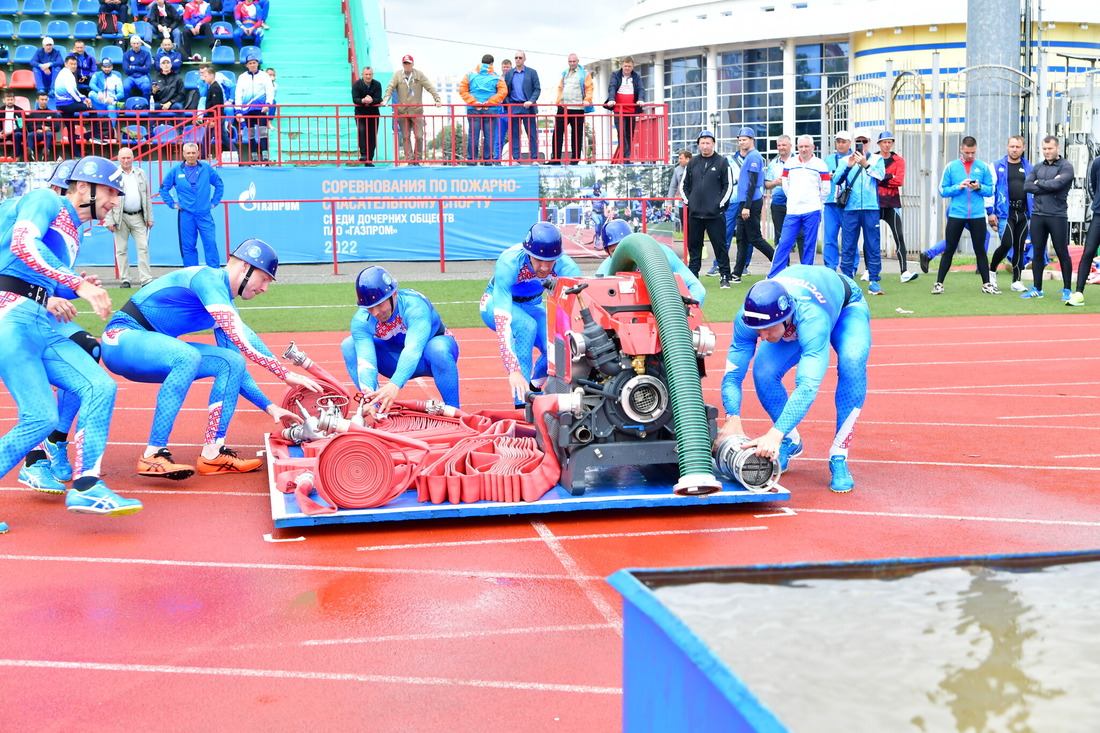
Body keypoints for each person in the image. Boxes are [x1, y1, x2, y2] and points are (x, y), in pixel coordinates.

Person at [0, 155, 143, 526]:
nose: (115, 201)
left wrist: (74, 285)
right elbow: (21, 245)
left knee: (99, 387)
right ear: (84, 187)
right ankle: (46, 465)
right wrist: (75, 282)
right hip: (10, 318)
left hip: (36, 322)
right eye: (112, 191)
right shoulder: (46, 200)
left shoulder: (73, 231)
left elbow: (43, 280)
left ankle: (87, 485)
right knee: (40, 417)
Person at [101, 239, 318, 481]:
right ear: (246, 268)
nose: (265, 288)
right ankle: (153, 454)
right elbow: (242, 335)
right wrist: (284, 373)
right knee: (188, 356)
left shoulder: (222, 301)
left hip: (152, 351)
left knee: (230, 363)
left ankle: (212, 454)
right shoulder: (208, 279)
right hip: (120, 339)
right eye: (265, 278)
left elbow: (237, 365)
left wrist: (270, 407)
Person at [716, 266, 871, 494]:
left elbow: (807, 386)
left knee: (852, 360)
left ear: (786, 317)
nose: (762, 337)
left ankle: (839, 454)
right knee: (763, 372)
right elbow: (733, 375)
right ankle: (792, 440)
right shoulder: (750, 317)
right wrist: (732, 416)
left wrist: (774, 433)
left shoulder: (812, 319)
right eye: (756, 331)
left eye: (766, 330)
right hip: (795, 318)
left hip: (845, 306)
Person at [480, 222, 581, 406]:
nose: (544, 267)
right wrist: (513, 370)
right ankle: (521, 403)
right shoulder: (509, 262)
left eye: (550, 261)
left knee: (560, 345)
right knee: (527, 326)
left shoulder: (568, 268)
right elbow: (503, 322)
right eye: (538, 260)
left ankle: (533, 388)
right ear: (528, 254)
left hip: (533, 305)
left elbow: (574, 315)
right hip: (497, 302)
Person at [341, 267, 461, 415]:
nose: (376, 313)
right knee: (349, 345)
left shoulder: (415, 306)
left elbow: (413, 349)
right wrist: (369, 396)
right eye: (369, 308)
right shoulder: (361, 321)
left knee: (437, 349)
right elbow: (366, 361)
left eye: (380, 304)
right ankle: (376, 408)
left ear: (394, 294)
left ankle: (455, 412)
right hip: (396, 359)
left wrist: (394, 384)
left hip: (429, 357)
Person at [931, 136, 996, 295]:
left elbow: (990, 190)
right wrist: (958, 187)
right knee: (949, 249)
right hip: (956, 214)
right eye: (967, 152)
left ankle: (987, 284)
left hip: (977, 215)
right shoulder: (951, 167)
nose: (970, 155)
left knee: (980, 250)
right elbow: (942, 190)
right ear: (961, 149)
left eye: (973, 152)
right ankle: (939, 283)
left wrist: (978, 187)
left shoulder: (983, 167)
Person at [595, 219, 705, 304]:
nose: (622, 253)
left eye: (624, 245)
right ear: (607, 251)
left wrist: (685, 312)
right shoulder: (606, 267)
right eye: (615, 250)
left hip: (663, 311)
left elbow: (697, 288)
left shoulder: (660, 253)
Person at [1020, 135, 1075, 301]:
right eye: (1044, 149)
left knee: (1061, 252)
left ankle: (1067, 290)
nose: (1047, 152)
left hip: (1057, 216)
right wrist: (1048, 183)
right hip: (1038, 215)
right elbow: (1027, 186)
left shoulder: (1066, 167)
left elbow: (1058, 185)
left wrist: (1040, 183)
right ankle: (1037, 288)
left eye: (1050, 148)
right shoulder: (1037, 166)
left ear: (1058, 148)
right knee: (1037, 252)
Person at [769, 134, 830, 276]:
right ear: (797, 147)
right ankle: (774, 275)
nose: (803, 149)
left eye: (806, 146)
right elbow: (785, 185)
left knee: (809, 245)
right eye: (801, 146)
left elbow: (825, 189)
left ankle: (806, 276)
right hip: (793, 211)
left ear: (813, 147)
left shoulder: (820, 164)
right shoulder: (790, 164)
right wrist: (794, 198)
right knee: (784, 243)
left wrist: (814, 201)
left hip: (812, 210)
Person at [680, 129, 734, 286]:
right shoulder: (692, 163)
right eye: (702, 143)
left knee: (720, 246)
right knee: (694, 247)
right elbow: (684, 186)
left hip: (715, 214)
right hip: (695, 214)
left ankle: (725, 276)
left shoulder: (722, 162)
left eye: (708, 143)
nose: (705, 146)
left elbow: (728, 186)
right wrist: (690, 202)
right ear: (698, 145)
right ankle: (693, 276)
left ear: (713, 144)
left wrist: (719, 204)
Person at [160, 142, 224, 267]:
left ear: (198, 154)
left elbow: (219, 184)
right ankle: (191, 274)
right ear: (183, 154)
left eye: (193, 153)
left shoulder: (206, 168)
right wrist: (172, 204)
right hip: (186, 215)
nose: (191, 155)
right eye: (188, 153)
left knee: (210, 243)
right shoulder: (176, 170)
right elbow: (163, 189)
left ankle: (214, 272)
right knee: (188, 246)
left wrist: (214, 202)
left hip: (204, 214)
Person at [836, 132, 885, 294]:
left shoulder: (877, 159)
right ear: (853, 142)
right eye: (858, 141)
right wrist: (849, 166)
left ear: (869, 142)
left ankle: (874, 280)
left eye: (864, 141)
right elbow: (836, 179)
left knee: (873, 244)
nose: (861, 144)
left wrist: (866, 164)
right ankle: (848, 280)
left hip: (871, 208)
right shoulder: (845, 160)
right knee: (849, 243)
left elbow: (881, 176)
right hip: (851, 208)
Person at [986, 135, 1033, 294]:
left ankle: (1016, 281)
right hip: (1004, 212)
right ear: (1007, 147)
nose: (1014, 149)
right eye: (1012, 146)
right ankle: (991, 274)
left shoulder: (1029, 167)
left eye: (1018, 147)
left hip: (1023, 213)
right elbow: (990, 190)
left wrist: (1033, 213)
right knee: (1006, 244)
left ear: (1023, 148)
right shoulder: (997, 165)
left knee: (1020, 247)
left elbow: (1034, 190)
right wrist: (990, 212)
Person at [729, 127, 775, 284]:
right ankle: (736, 273)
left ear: (752, 140)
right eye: (740, 139)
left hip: (751, 202)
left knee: (754, 238)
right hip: (745, 202)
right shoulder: (750, 156)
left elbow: (753, 182)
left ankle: (779, 263)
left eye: (745, 139)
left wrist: (747, 206)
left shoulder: (754, 156)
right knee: (742, 239)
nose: (742, 142)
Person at [105, 147, 155, 288]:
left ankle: (146, 279)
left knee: (143, 247)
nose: (126, 160)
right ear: (118, 159)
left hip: (138, 216)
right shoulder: (113, 175)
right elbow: (108, 198)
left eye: (128, 157)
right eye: (123, 158)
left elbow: (147, 197)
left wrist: (149, 217)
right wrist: (109, 220)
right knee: (121, 250)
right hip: (120, 217)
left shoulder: (140, 173)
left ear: (133, 158)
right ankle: (125, 279)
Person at [382, 55, 442, 166]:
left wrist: (437, 99)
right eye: (405, 63)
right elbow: (390, 88)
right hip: (403, 111)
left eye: (409, 63)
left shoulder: (419, 75)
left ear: (413, 64)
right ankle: (409, 160)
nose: (407, 65)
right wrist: (385, 100)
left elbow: (430, 87)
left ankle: (417, 159)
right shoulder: (397, 75)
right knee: (405, 137)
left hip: (416, 110)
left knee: (419, 136)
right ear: (402, 64)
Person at [876, 131, 918, 283]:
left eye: (889, 142)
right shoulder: (873, 158)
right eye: (884, 142)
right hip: (875, 203)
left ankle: (904, 271)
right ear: (879, 143)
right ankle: (869, 270)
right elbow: (871, 176)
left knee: (899, 236)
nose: (887, 145)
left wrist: (882, 177)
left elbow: (899, 181)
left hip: (891, 203)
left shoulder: (898, 160)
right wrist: (889, 176)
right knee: (871, 237)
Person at [458, 54, 507, 165]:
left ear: (481, 62)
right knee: (489, 136)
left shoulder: (469, 74)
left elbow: (462, 90)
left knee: (473, 135)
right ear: (491, 64)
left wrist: (474, 102)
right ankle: (488, 161)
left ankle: (472, 160)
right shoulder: (497, 76)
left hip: (473, 109)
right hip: (490, 109)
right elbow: (503, 92)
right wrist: (489, 102)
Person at [1068, 153, 1100, 306]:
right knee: (1088, 252)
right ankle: (1079, 292)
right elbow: (1091, 186)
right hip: (1099, 215)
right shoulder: (1097, 162)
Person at [765, 135, 802, 263]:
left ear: (790, 146)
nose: (781, 148)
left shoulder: (798, 161)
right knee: (780, 237)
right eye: (779, 145)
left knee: (801, 235)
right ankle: (784, 266)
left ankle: (805, 267)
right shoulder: (773, 164)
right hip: (778, 203)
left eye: (784, 145)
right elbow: (766, 184)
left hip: (796, 202)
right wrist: (775, 182)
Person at [552, 53, 593, 166]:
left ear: (578, 61)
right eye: (570, 61)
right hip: (563, 107)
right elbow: (561, 88)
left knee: (576, 134)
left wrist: (587, 99)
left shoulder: (584, 73)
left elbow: (589, 87)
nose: (572, 63)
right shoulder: (565, 73)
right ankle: (555, 158)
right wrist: (558, 101)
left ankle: (575, 159)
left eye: (574, 61)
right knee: (557, 133)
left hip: (577, 107)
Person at [234, 56, 274, 163]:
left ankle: (265, 156)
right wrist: (238, 110)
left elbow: (270, 90)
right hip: (247, 109)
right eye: (250, 63)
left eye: (254, 63)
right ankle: (254, 157)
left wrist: (268, 104)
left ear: (257, 63)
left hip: (261, 109)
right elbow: (238, 94)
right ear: (246, 65)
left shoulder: (264, 76)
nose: (252, 65)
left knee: (263, 133)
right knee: (251, 134)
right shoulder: (242, 77)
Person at [822, 131, 852, 271]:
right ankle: (830, 267)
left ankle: (851, 266)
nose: (840, 144)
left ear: (849, 143)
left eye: (844, 141)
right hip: (830, 202)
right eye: (838, 141)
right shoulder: (828, 160)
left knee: (849, 237)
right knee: (829, 237)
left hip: (849, 204)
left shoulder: (855, 158)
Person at [53, 56, 94, 157]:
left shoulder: (67, 73)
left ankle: (76, 154)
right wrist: (82, 101)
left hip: (63, 104)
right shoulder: (66, 74)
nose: (73, 66)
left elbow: (75, 90)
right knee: (93, 109)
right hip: (66, 104)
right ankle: (96, 135)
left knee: (71, 130)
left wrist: (84, 98)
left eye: (75, 64)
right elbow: (71, 91)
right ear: (66, 64)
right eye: (71, 64)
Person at [606, 56, 644, 163]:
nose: (627, 68)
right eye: (625, 66)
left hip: (631, 110)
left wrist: (640, 99)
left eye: (629, 66)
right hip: (619, 109)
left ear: (632, 66)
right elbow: (612, 87)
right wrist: (612, 99)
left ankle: (627, 156)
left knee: (629, 134)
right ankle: (625, 158)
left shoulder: (636, 77)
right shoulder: (616, 75)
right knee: (621, 133)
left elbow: (641, 89)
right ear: (622, 65)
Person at [504, 50, 540, 162]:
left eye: (520, 57)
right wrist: (509, 103)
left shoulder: (532, 72)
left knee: (532, 133)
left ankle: (534, 158)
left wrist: (531, 101)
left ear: (524, 59)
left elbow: (537, 89)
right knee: (514, 134)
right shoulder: (509, 73)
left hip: (528, 107)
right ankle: (516, 158)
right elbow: (505, 91)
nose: (518, 60)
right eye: (516, 58)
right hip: (514, 106)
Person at [198, 64, 231, 158]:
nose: (204, 78)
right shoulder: (212, 87)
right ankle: (236, 154)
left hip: (215, 118)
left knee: (206, 138)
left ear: (212, 76)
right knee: (224, 138)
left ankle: (204, 157)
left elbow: (216, 105)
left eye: (206, 76)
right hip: (216, 117)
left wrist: (212, 119)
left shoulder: (215, 87)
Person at [352, 66, 382, 165]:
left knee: (372, 136)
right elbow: (355, 99)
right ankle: (364, 155)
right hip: (360, 113)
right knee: (362, 133)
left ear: (372, 75)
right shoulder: (356, 84)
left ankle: (370, 159)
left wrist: (372, 100)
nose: (368, 76)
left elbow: (379, 99)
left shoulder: (377, 84)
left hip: (373, 114)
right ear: (362, 75)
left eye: (370, 74)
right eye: (366, 74)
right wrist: (363, 100)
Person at [24, 93, 59, 161]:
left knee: (49, 134)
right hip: (37, 133)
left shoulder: (53, 113)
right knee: (31, 135)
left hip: (48, 133)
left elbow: (57, 127)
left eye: (45, 99)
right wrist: (39, 128)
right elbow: (29, 128)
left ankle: (46, 154)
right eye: (42, 99)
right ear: (37, 100)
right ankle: (30, 154)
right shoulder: (33, 114)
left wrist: (49, 128)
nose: (44, 101)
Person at [667, 149, 691, 233]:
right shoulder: (677, 170)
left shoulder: (696, 168)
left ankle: (700, 245)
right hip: (682, 203)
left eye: (681, 158)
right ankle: (688, 245)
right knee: (686, 227)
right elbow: (673, 187)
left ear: (687, 159)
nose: (679, 161)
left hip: (695, 203)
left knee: (696, 227)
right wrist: (670, 202)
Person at [123, 34, 154, 100]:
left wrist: (134, 67)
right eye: (134, 43)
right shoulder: (126, 54)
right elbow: (126, 70)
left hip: (143, 76)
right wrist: (141, 68)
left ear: (140, 43)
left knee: (146, 87)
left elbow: (147, 69)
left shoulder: (146, 54)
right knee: (125, 86)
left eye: (137, 43)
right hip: (131, 77)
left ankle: (146, 107)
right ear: (131, 44)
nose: (136, 45)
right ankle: (127, 106)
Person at [0, 91, 23, 161]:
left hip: (14, 132)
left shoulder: (20, 111)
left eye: (11, 99)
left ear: (14, 100)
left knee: (18, 135)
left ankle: (17, 158)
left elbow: (21, 126)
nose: (10, 101)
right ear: (4, 100)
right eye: (8, 100)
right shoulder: (0, 110)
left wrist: (10, 132)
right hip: (3, 133)